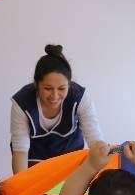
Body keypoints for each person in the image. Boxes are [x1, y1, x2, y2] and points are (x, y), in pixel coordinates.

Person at [9, 44, 103, 174]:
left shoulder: (80, 98)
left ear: (69, 85)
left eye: (61, 89)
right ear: (36, 84)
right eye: (48, 88)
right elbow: (20, 150)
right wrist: (20, 189)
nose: (54, 96)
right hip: (35, 161)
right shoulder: (22, 103)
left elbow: (96, 142)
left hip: (71, 158)